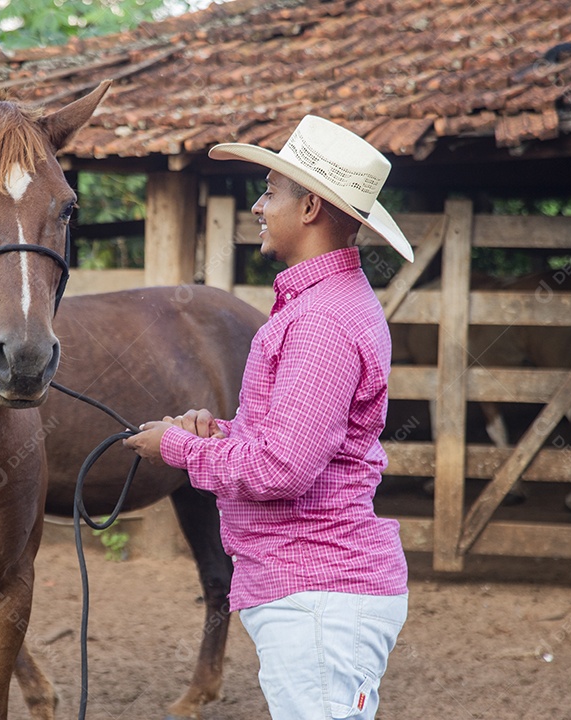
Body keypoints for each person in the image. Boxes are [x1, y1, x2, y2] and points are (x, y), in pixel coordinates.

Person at [124, 115, 414, 720]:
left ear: (310, 208)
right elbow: (297, 442)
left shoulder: (319, 322)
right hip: (314, 592)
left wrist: (177, 450)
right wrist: (218, 434)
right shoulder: (322, 308)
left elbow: (283, 468)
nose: (258, 206)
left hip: (318, 593)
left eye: (271, 191)